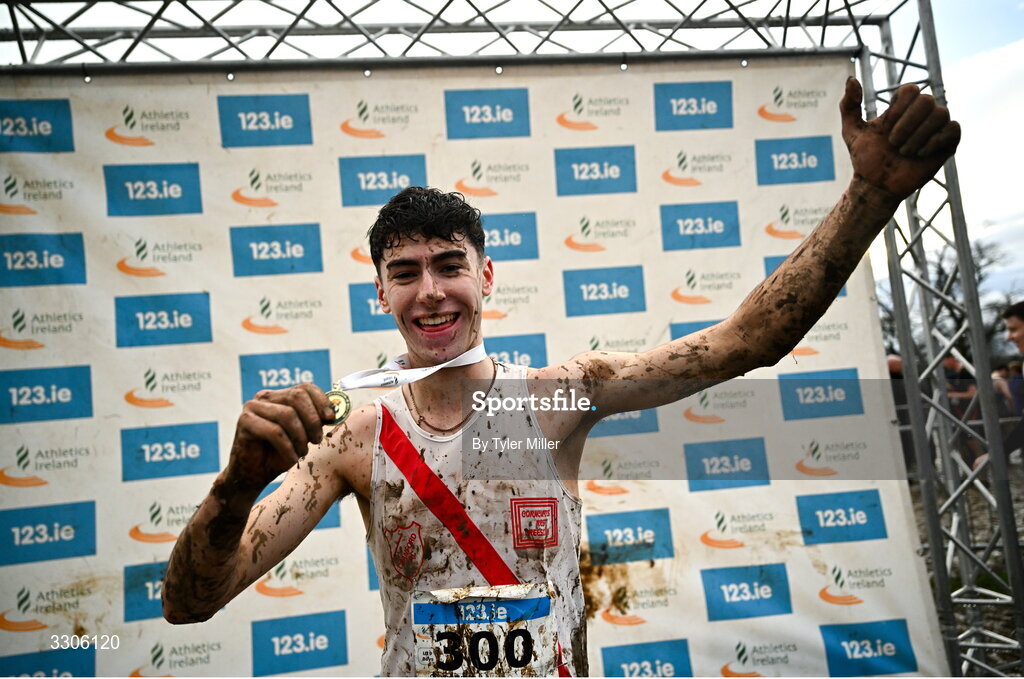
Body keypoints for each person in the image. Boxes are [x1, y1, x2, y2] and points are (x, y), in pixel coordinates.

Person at [161, 79, 960, 676]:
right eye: (404, 272)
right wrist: (235, 486)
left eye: (450, 265)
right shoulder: (349, 439)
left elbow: (749, 340)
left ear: (488, 277)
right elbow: (190, 602)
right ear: (380, 293)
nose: (430, 290)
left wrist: (870, 195)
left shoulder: (559, 398)